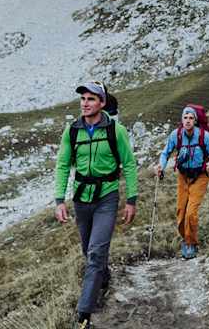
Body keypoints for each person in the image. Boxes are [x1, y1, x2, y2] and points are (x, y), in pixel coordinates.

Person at [54, 81, 138, 329]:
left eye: (91, 99)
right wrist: (59, 200)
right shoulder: (72, 131)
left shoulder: (116, 130)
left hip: (107, 198)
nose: (85, 104)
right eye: (83, 99)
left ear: (102, 103)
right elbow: (62, 166)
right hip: (81, 199)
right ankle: (104, 277)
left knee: (95, 254)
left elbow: (129, 165)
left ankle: (84, 316)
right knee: (88, 251)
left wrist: (131, 200)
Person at [153, 104, 209, 260]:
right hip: (182, 176)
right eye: (185, 117)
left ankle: (191, 243)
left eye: (191, 118)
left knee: (191, 212)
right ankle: (186, 238)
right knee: (181, 211)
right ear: (182, 120)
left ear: (195, 121)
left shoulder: (204, 136)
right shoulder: (175, 135)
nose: (188, 120)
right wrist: (161, 166)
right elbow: (165, 153)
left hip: (201, 176)